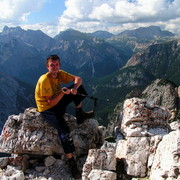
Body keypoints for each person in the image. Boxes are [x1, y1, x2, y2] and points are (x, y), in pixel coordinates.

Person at [35, 55, 94, 179]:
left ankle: (80, 113)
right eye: (52, 65)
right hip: (47, 109)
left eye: (56, 64)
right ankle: (71, 160)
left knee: (79, 89)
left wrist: (75, 88)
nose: (55, 67)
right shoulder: (44, 80)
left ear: (59, 65)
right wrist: (63, 92)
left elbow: (78, 79)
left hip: (57, 100)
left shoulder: (59, 74)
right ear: (47, 67)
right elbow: (50, 102)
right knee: (64, 130)